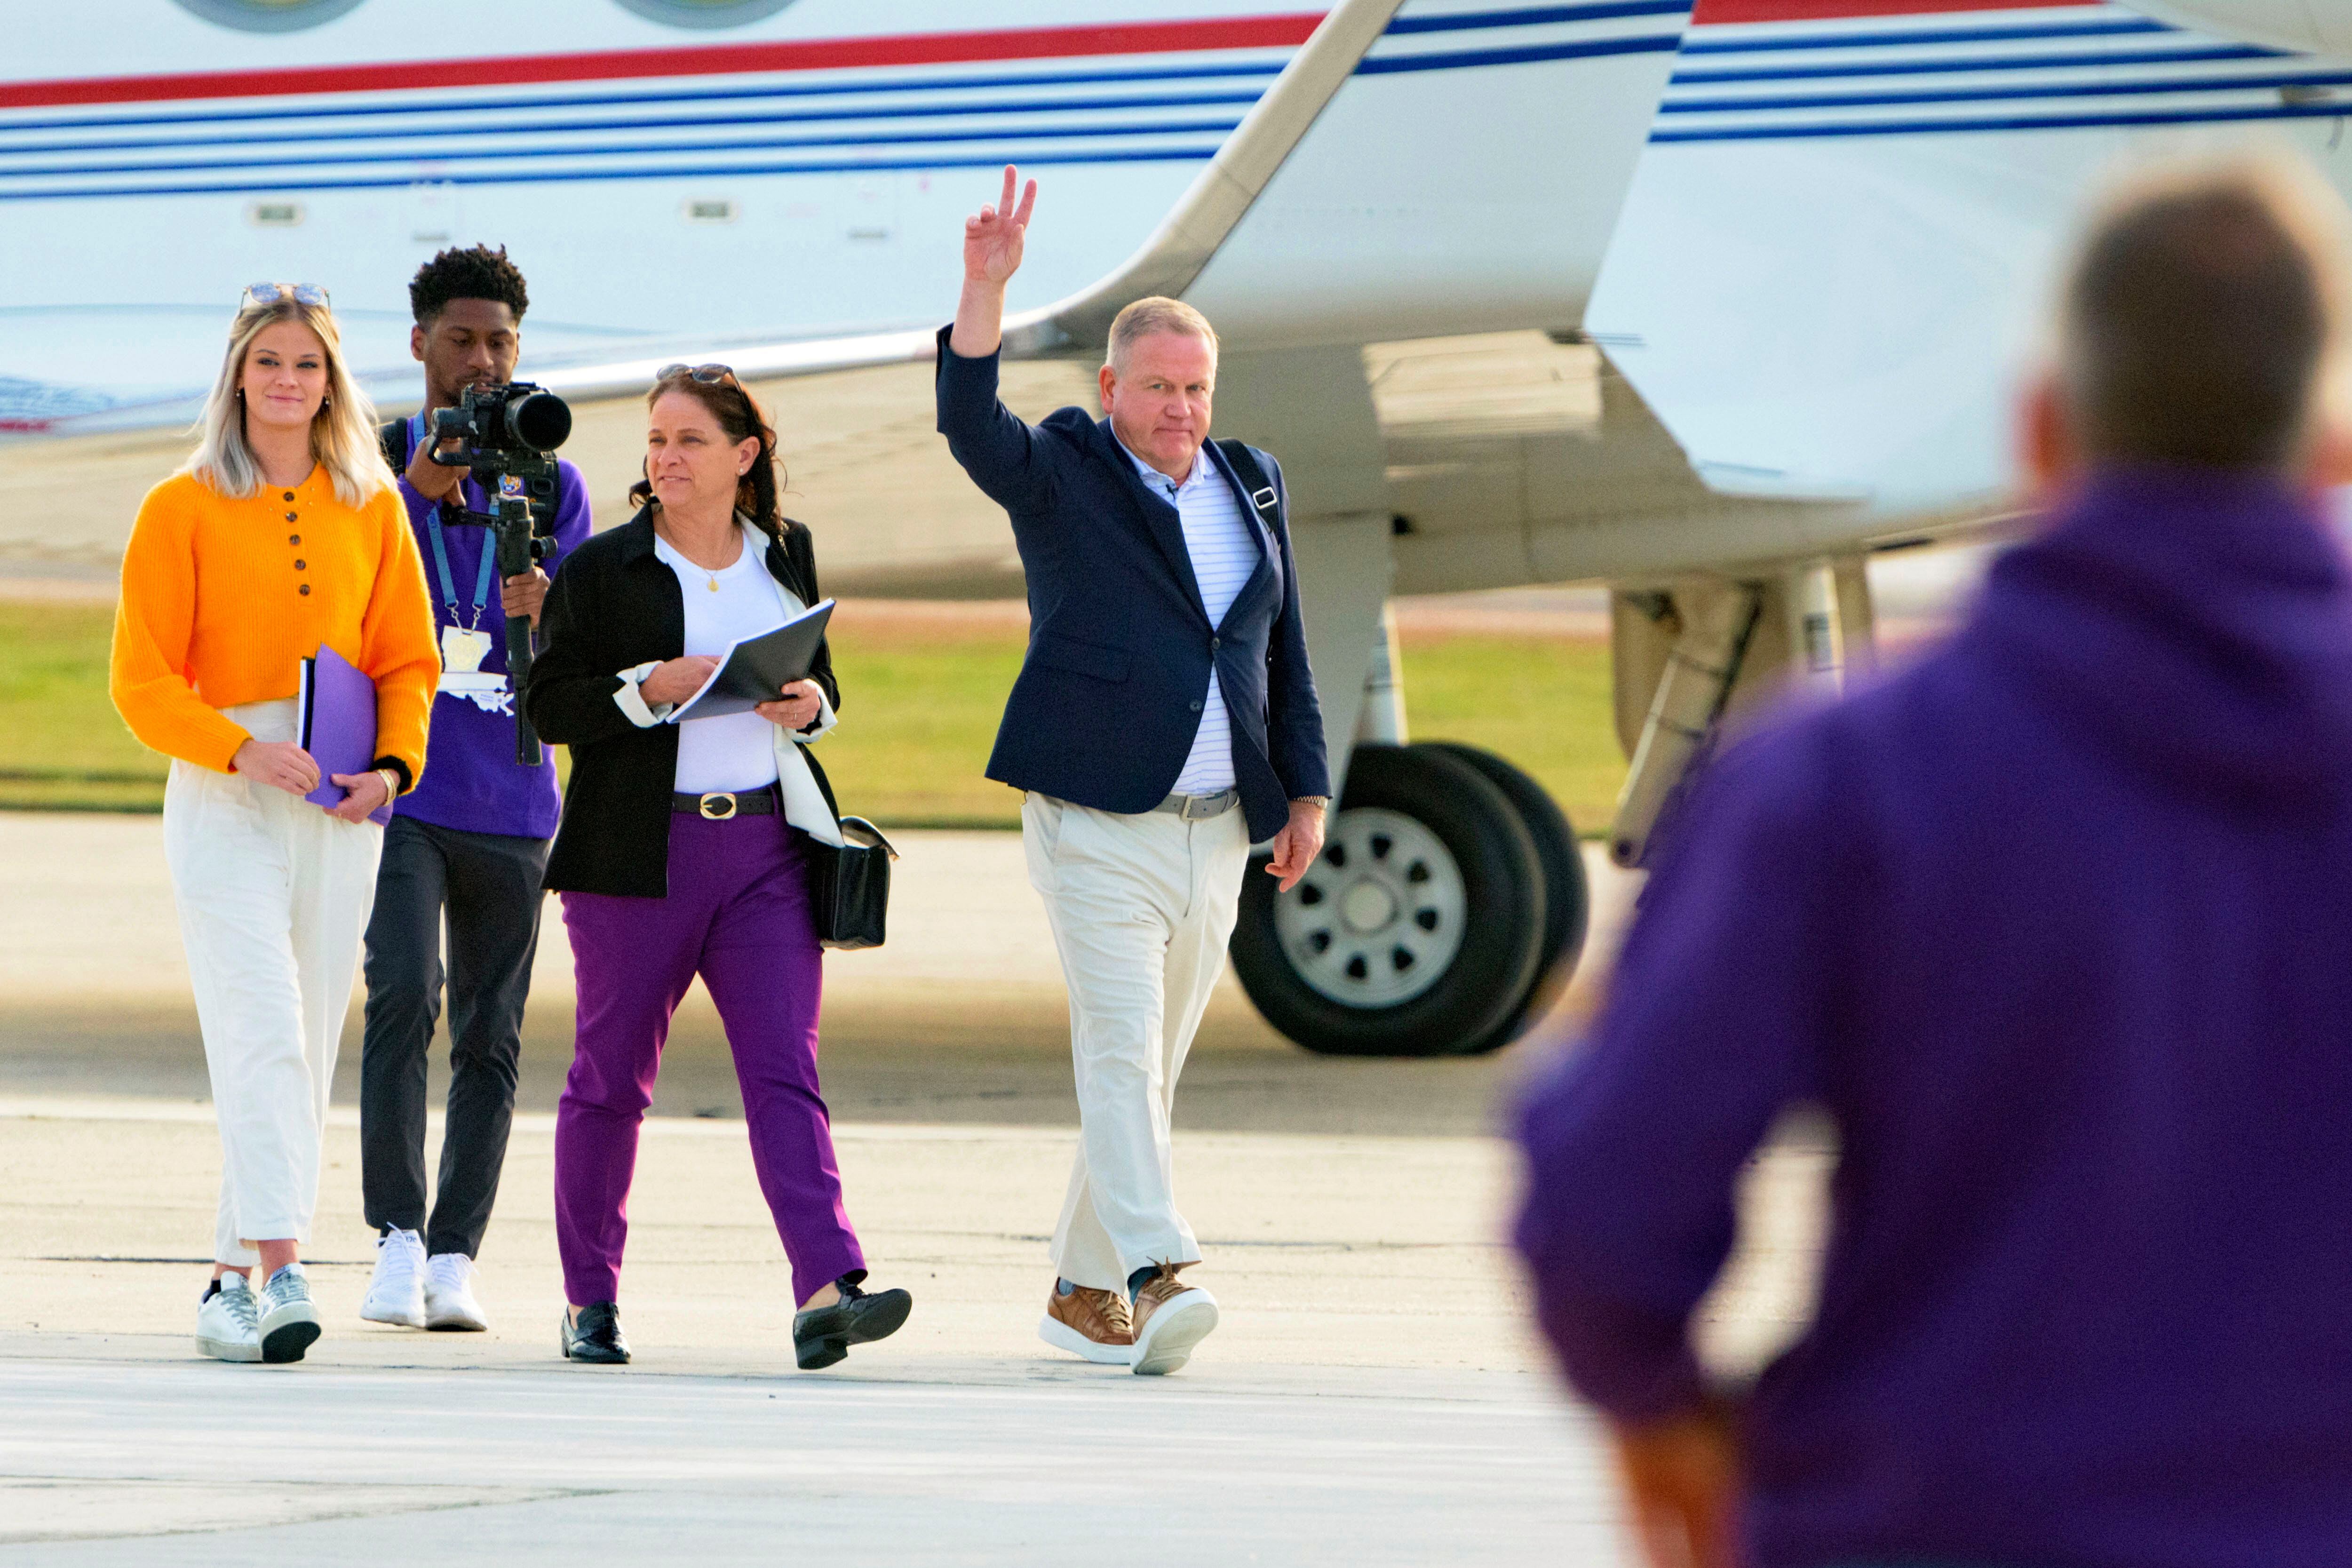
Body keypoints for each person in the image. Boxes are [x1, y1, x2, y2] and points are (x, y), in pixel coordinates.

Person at [1513, 153, 2352, 1568]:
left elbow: (1606, 1208)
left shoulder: (1848, 778)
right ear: (2331, 454)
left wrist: (1667, 1422)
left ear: (2040, 431)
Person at [937, 167, 1330, 1377]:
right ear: (1111, 388)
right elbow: (970, 426)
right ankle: (1158, 1268)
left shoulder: (1250, 479)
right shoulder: (1068, 469)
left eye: (1195, 388)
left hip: (1218, 827)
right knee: (1118, 1054)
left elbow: (1283, 651)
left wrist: (1304, 788)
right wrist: (982, 295)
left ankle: (1075, 1289)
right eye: (1156, 387)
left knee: (1146, 1071)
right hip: (1098, 821)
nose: (1179, 409)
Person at [524, 363, 911, 1370]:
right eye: (656, 439)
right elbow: (549, 705)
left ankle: (827, 1286)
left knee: (787, 1068)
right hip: (633, 856)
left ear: (745, 456)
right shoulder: (602, 569)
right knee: (610, 1083)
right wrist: (642, 689)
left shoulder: (786, 553)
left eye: (689, 440)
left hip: (764, 851)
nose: (665, 457)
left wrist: (810, 706)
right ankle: (589, 1300)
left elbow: (820, 682)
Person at [110, 283, 438, 1365]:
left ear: (333, 381)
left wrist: (392, 768)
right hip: (224, 789)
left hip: (343, 799)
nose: (288, 381)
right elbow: (140, 680)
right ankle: (287, 1264)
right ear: (238, 376)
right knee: (257, 1023)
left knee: (301, 1040)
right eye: (269, 362)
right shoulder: (181, 503)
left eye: (308, 364)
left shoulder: (373, 503)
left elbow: (407, 660)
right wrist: (240, 746)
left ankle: (222, 1283)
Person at [357, 246, 591, 1335]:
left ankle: (457, 1254)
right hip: (403, 784)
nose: (483, 361)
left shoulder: (551, 471)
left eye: (500, 340)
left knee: (492, 1035)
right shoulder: (376, 459)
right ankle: (395, 1239)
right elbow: (348, 598)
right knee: (404, 996)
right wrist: (415, 494)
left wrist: (545, 603)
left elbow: (583, 646)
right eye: (461, 339)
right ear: (419, 344)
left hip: (513, 790)